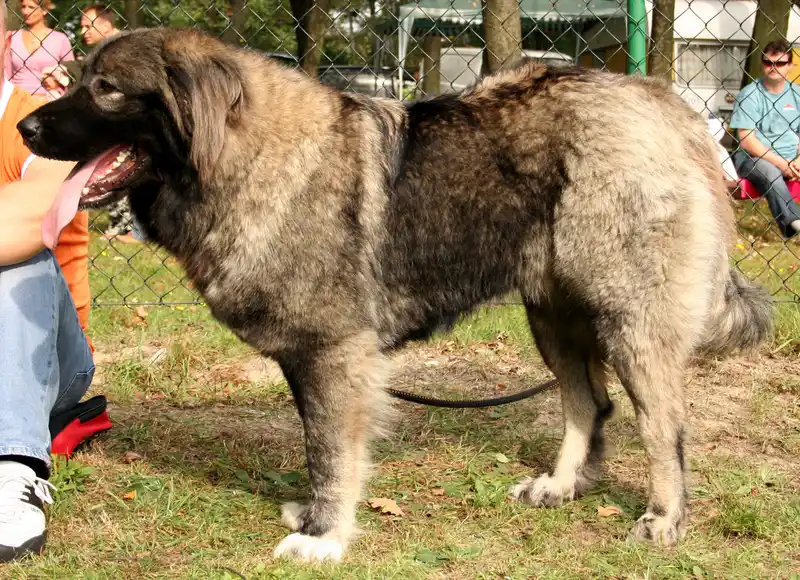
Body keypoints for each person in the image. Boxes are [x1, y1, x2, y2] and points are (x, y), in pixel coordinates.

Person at [0, 2, 98, 562]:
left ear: (8, 40)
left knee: (19, 252)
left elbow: (23, 219)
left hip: (48, 360)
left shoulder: (49, 123)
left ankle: (14, 470)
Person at [730, 39, 800, 239]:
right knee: (770, 171)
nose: (773, 68)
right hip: (753, 159)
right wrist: (782, 164)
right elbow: (747, 141)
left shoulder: (797, 94)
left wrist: (797, 161)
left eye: (780, 64)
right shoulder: (750, 95)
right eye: (769, 63)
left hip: (791, 159)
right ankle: (792, 221)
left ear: (790, 66)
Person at [3, 0, 74, 98]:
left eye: (31, 7)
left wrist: (58, 83)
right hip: (17, 99)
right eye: (23, 7)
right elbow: (6, 74)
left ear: (44, 10)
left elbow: (71, 74)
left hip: (48, 100)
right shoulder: (13, 37)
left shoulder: (60, 39)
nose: (25, 11)